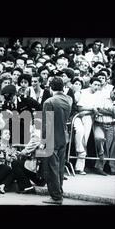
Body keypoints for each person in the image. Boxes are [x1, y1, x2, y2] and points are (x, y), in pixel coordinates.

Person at [42, 77, 72, 205]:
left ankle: (55, 196)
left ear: (50, 87)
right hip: (63, 137)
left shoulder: (49, 102)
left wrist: (43, 141)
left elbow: (46, 124)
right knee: (59, 167)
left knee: (51, 168)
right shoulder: (67, 99)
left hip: (51, 138)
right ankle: (59, 192)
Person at [72, 77, 101, 174]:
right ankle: (78, 157)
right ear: (90, 84)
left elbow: (97, 111)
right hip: (77, 117)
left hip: (89, 118)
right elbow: (80, 108)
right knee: (80, 133)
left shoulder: (99, 95)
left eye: (98, 85)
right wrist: (92, 109)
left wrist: (89, 111)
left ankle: (80, 167)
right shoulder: (83, 92)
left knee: (85, 139)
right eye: (95, 84)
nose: (96, 87)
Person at [93, 84, 115, 175]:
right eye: (114, 93)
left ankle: (100, 167)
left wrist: (106, 110)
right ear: (112, 90)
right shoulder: (103, 96)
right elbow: (98, 109)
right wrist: (112, 112)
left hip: (111, 125)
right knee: (99, 139)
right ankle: (99, 162)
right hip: (99, 124)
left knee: (108, 147)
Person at [0, 129, 18, 194]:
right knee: (6, 168)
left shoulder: (10, 147)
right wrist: (2, 155)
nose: (8, 135)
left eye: (9, 134)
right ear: (0, 136)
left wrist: (12, 157)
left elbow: (14, 158)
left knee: (14, 171)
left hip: (5, 168)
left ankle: (2, 186)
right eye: (5, 133)